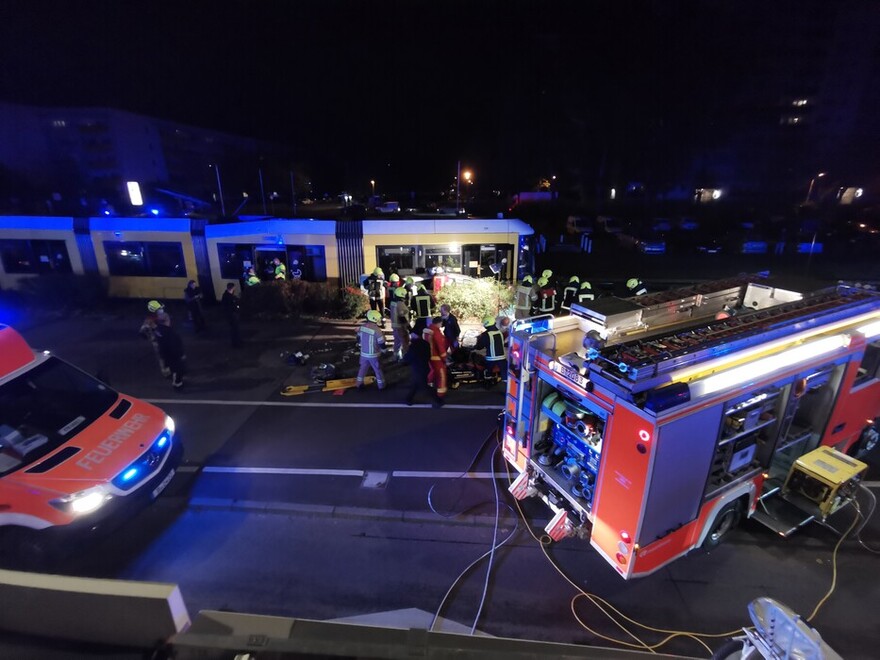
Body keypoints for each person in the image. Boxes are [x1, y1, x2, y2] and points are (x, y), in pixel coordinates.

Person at [402, 331, 443, 407]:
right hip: (424, 367)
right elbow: (428, 356)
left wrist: (404, 360)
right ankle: (408, 399)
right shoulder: (426, 343)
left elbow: (408, 358)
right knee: (416, 383)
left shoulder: (413, 346)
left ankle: (438, 401)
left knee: (423, 385)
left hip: (417, 369)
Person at [140, 300, 172, 377]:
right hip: (158, 341)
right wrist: (151, 336)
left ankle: (171, 368)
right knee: (162, 357)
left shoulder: (165, 316)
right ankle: (166, 372)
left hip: (166, 339)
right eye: (159, 308)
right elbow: (142, 332)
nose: (161, 310)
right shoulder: (149, 320)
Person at [356, 310, 386, 390]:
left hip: (363, 354)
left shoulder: (362, 327)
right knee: (378, 371)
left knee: (362, 369)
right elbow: (382, 343)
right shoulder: (377, 330)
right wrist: (384, 350)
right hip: (374, 355)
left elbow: (358, 338)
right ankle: (381, 386)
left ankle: (359, 385)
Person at [152, 319, 186, 390]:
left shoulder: (159, 330)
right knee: (179, 369)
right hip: (172, 354)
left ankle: (173, 379)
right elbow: (173, 344)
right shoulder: (168, 332)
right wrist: (180, 354)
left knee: (174, 368)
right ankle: (177, 385)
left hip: (165, 353)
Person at [423, 316, 448, 402]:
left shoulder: (426, 331)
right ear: (439, 323)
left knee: (431, 373)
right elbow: (440, 346)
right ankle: (440, 394)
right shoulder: (436, 332)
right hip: (436, 357)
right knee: (441, 375)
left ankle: (427, 388)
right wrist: (444, 358)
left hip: (427, 356)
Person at [389, 286, 411, 360]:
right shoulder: (400, 304)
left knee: (397, 342)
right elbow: (402, 317)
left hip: (395, 326)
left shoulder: (393, 303)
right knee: (405, 342)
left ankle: (396, 356)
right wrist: (408, 327)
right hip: (401, 327)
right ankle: (406, 358)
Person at [221, 282, 244, 348]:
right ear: (232, 288)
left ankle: (238, 341)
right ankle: (236, 343)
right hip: (232, 315)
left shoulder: (227, 295)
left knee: (236, 329)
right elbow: (231, 306)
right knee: (234, 329)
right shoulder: (228, 296)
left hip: (232, 314)